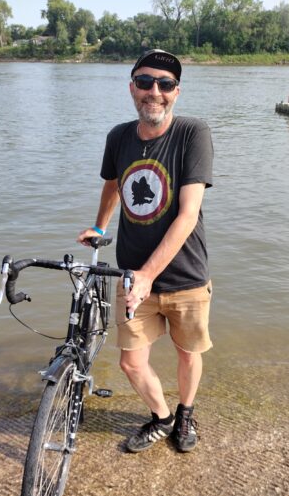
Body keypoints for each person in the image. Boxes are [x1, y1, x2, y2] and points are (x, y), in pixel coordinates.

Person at [77, 49, 213, 454]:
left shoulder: (193, 133)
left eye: (165, 84)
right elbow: (112, 183)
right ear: (131, 87)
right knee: (130, 361)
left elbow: (188, 214)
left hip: (185, 274)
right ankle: (162, 416)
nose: (155, 91)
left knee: (188, 353)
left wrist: (149, 275)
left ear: (177, 91)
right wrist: (100, 225)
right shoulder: (118, 136)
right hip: (132, 275)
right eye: (145, 82)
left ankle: (186, 411)